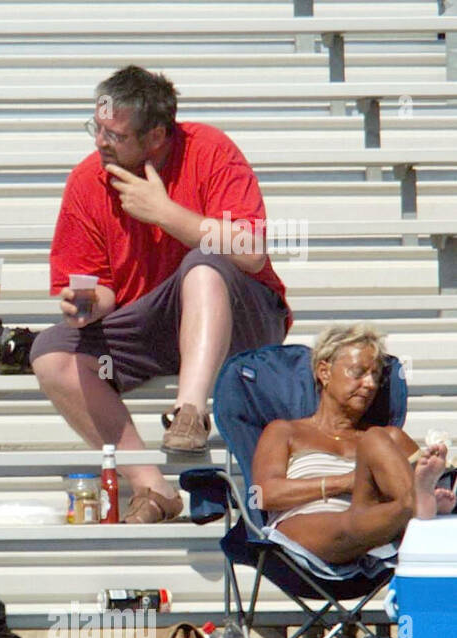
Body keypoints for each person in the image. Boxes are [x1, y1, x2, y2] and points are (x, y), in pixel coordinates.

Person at [30, 65, 292, 523]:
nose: (99, 143)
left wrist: (166, 213)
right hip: (152, 324)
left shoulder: (210, 150)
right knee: (50, 352)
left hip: (242, 317)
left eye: (114, 134)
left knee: (204, 261)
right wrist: (85, 305)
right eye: (97, 128)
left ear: (155, 137)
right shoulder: (88, 180)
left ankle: (188, 413)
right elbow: (100, 287)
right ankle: (153, 488)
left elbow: (250, 252)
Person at [252, 324, 454, 580]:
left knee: (378, 437)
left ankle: (415, 503)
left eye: (375, 376)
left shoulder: (386, 438)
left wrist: (440, 489)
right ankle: (417, 505)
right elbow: (264, 494)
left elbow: (447, 487)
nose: (369, 384)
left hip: (376, 527)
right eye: (358, 373)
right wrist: (347, 482)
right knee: (352, 520)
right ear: (324, 372)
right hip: (308, 525)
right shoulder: (285, 432)